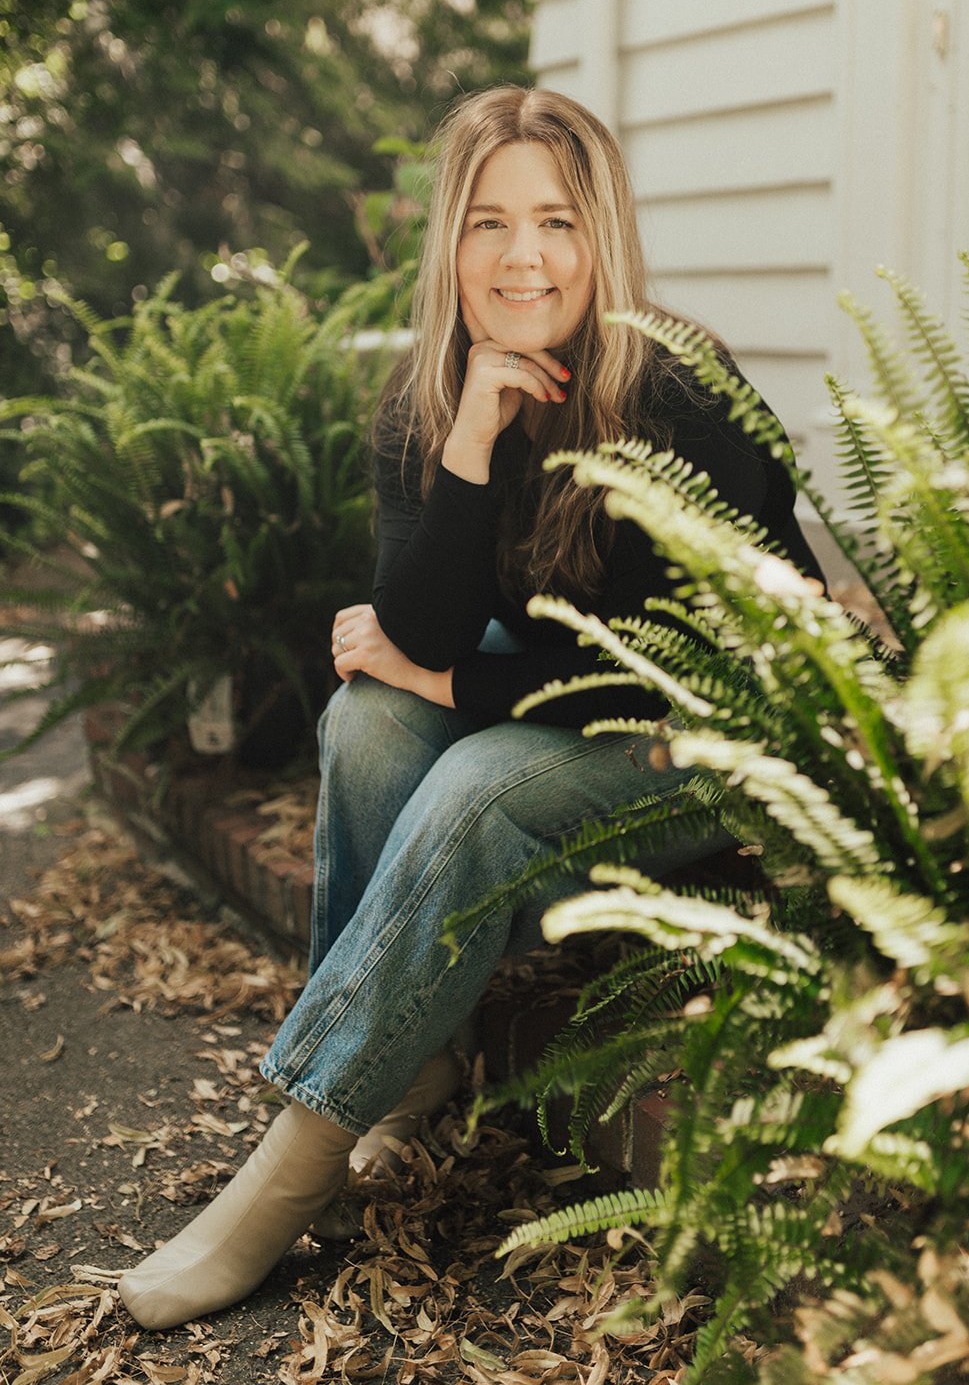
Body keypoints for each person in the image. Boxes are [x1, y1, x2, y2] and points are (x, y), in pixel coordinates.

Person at [117, 86, 825, 1330]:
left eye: (555, 221)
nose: (523, 257)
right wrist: (471, 442)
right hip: (574, 687)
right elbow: (418, 630)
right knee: (364, 724)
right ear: (452, 238)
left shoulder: (675, 390)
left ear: (600, 234)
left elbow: (685, 663)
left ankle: (293, 1161)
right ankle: (415, 1061)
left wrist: (452, 684)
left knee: (463, 774)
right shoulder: (432, 395)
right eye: (490, 223)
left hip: (712, 728)